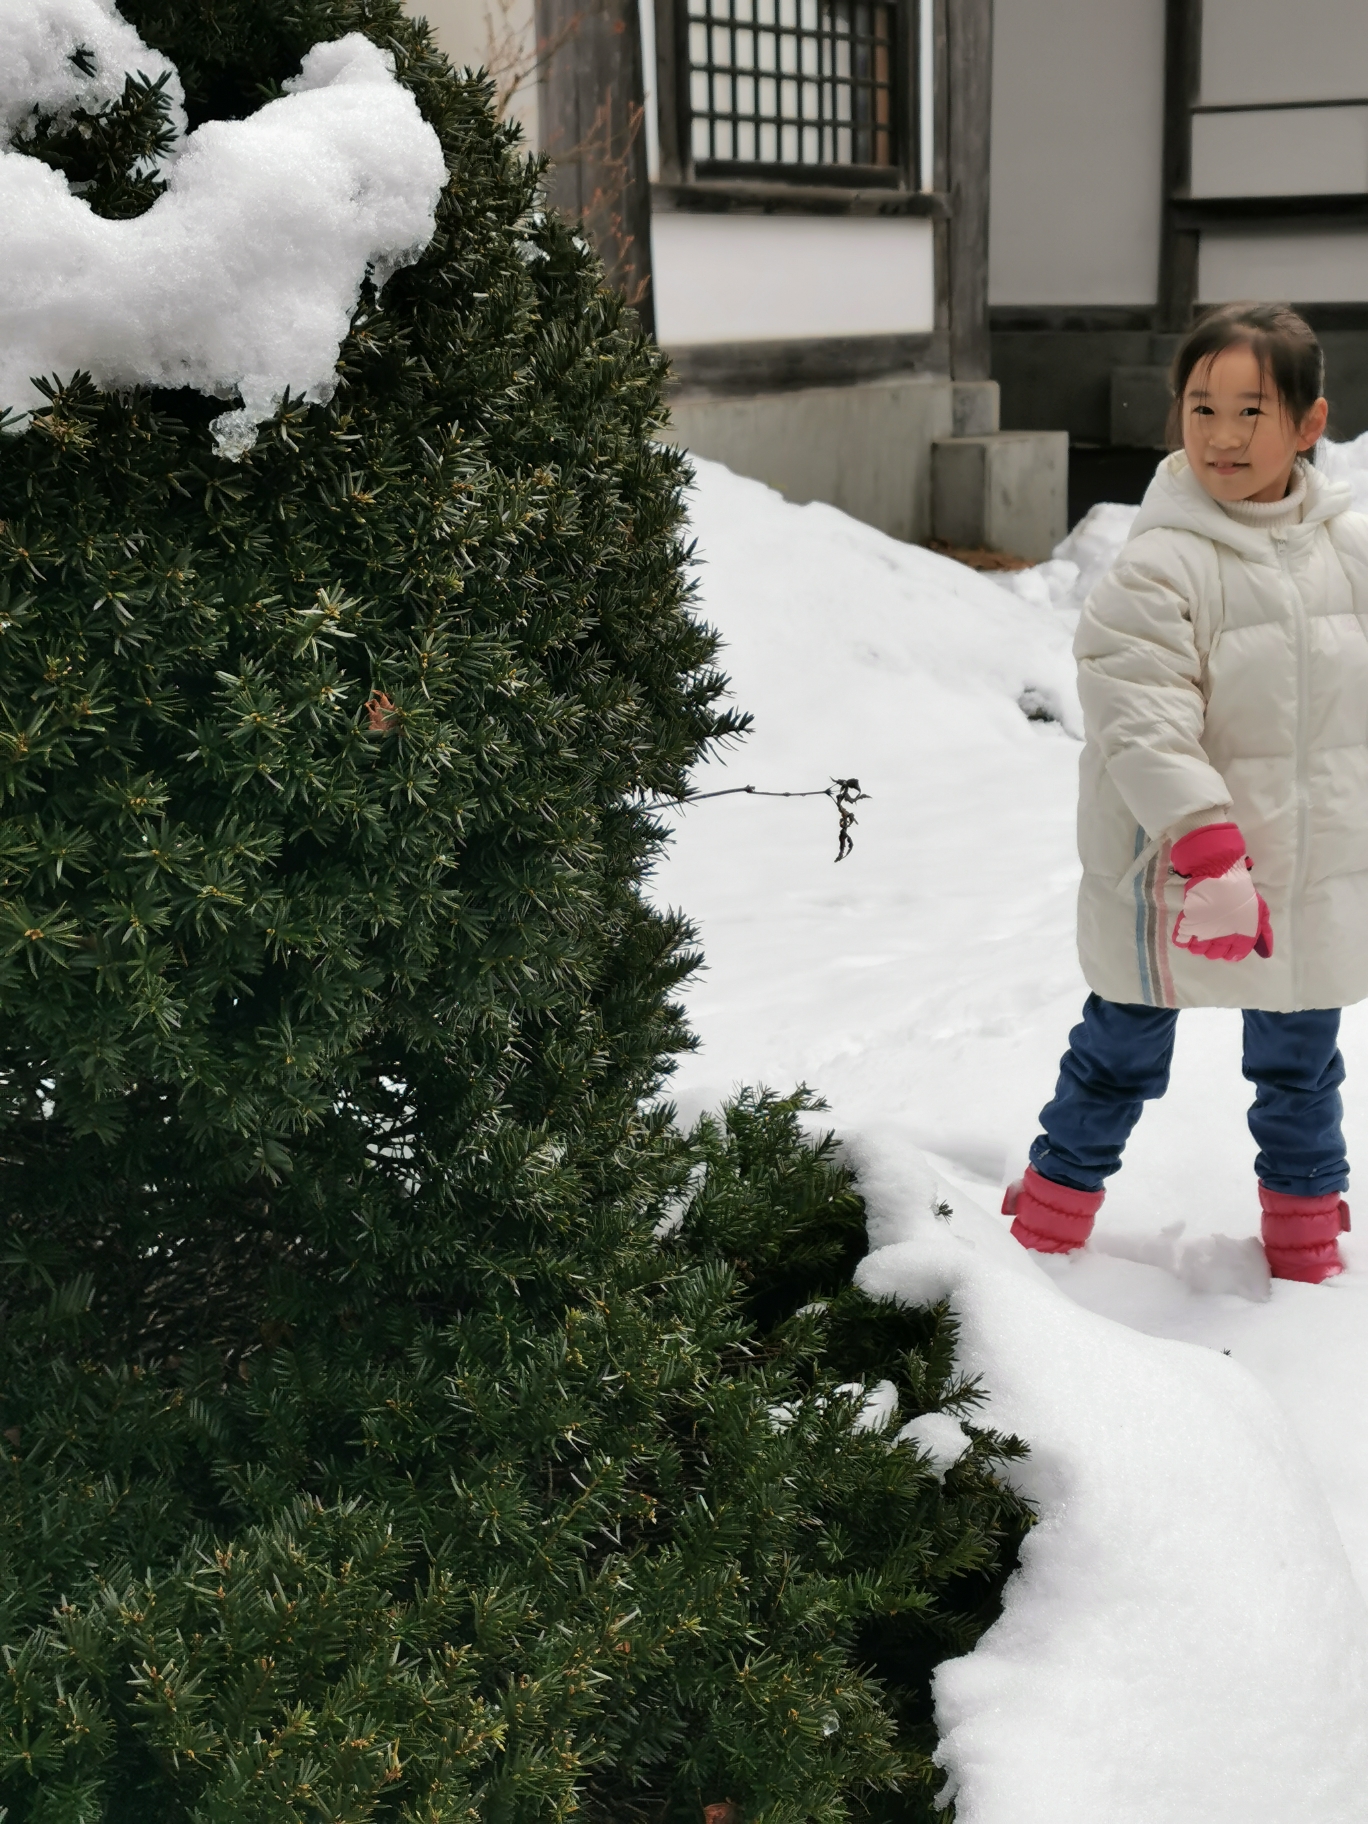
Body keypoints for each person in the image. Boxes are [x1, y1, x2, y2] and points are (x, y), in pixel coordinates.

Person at [1004, 302, 1368, 1284]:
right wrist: (1208, 853)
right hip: (1170, 864)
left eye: (1253, 411)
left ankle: (1303, 1246)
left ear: (1309, 424)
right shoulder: (1159, 563)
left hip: (1300, 871)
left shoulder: (1349, 554)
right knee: (1120, 1049)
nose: (1222, 434)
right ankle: (1048, 1223)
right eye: (1201, 408)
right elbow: (1140, 719)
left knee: (1301, 1066)